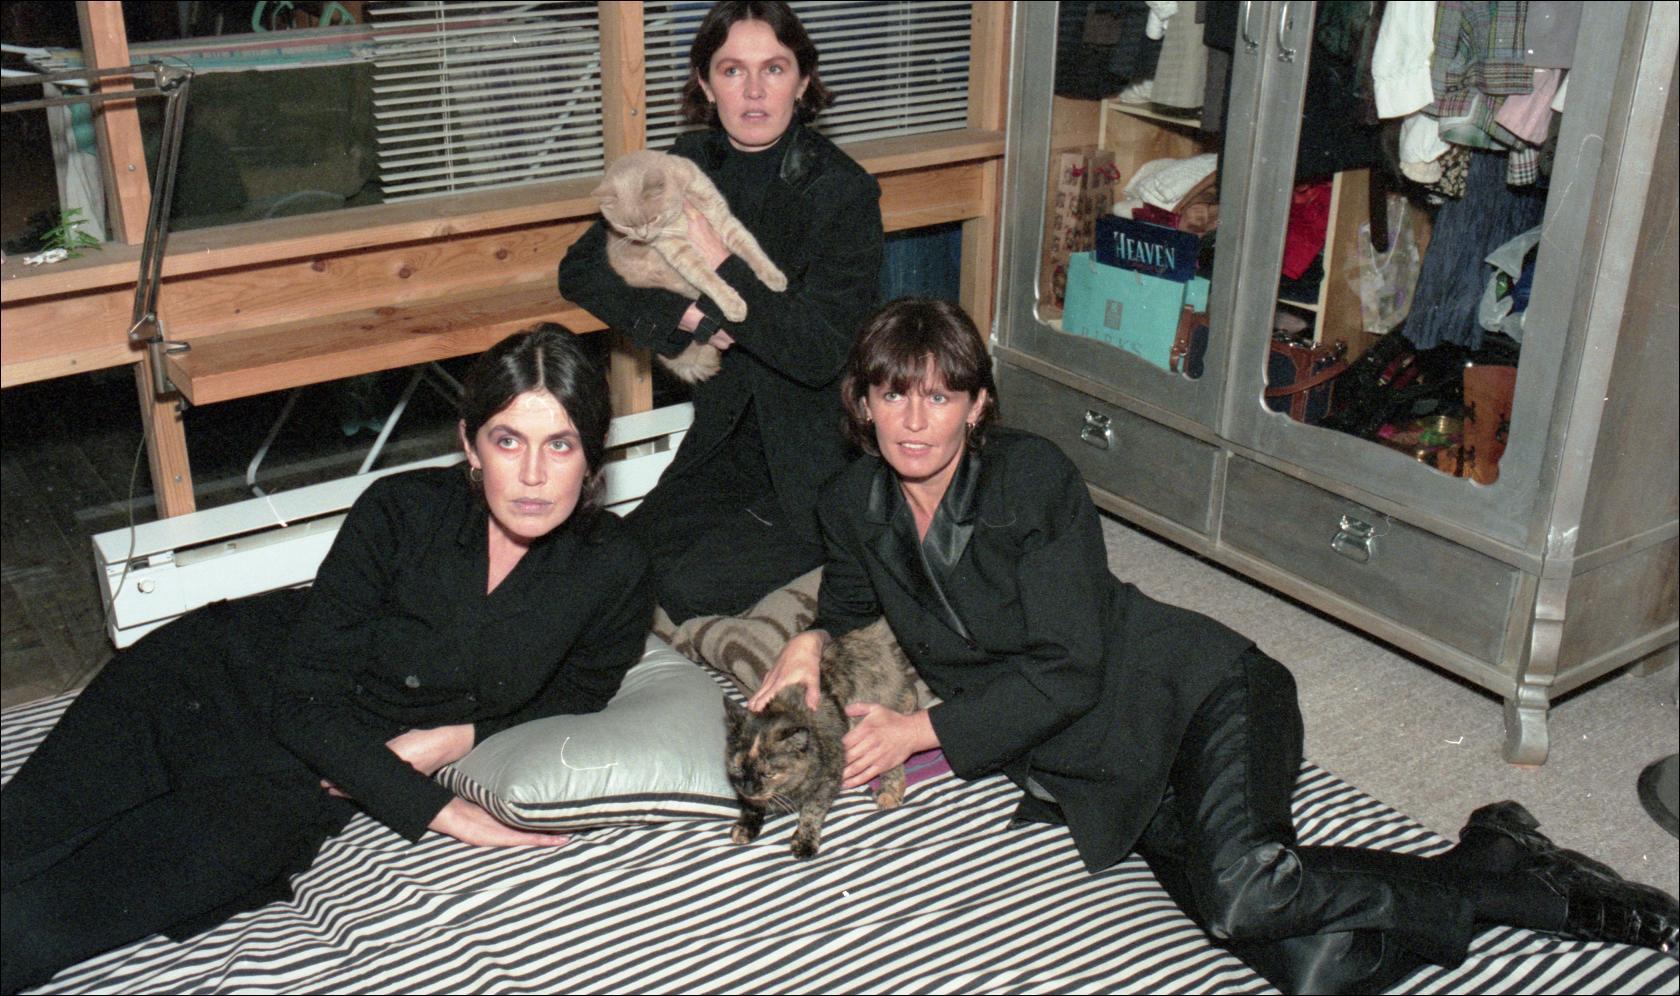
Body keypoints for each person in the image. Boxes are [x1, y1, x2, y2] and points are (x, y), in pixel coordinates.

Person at [752, 298, 1679, 994]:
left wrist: (920, 732)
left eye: (940, 396)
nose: (916, 420)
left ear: (978, 404)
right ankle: (1494, 858)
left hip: (1201, 693)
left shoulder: (1032, 480)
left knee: (1247, 896)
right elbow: (850, 598)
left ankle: (1537, 892)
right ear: (863, 403)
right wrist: (808, 645)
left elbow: (1070, 668)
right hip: (1110, 766)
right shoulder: (853, 502)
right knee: (1316, 969)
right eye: (894, 394)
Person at [0, 326, 654, 995]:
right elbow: (301, 699)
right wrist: (437, 809)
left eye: (560, 444)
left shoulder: (615, 568)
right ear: (470, 444)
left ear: (592, 453)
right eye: (508, 440)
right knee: (19, 837)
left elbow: (582, 691)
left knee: (43, 925)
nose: (534, 475)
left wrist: (464, 735)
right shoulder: (400, 512)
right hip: (211, 680)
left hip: (311, 773)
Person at [559, 0, 884, 626]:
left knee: (682, 592)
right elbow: (580, 270)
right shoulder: (686, 164)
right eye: (733, 70)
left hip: (811, 464)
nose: (754, 90)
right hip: (720, 443)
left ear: (803, 82)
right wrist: (684, 315)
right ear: (706, 85)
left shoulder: (843, 192)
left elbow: (819, 352)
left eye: (774, 69)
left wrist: (720, 262)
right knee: (612, 562)